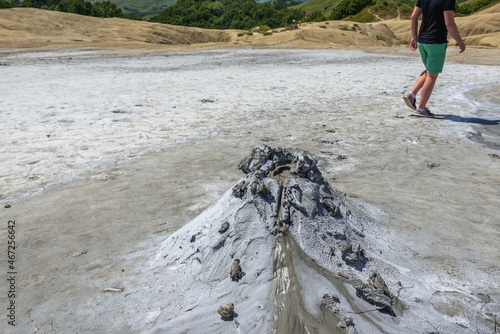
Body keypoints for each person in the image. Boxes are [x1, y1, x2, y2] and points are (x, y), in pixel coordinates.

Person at [404, 0, 465, 117]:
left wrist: (414, 37)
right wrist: (460, 41)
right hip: (436, 42)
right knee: (432, 75)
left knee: (429, 70)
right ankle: (421, 109)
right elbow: (449, 23)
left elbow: (413, 17)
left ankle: (412, 95)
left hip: (422, 42)